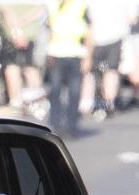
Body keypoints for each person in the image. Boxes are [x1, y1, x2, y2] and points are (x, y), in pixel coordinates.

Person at [46, 0, 93, 137]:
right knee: (55, 90)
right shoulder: (53, 5)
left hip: (76, 54)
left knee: (74, 91)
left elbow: (89, 32)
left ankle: (72, 124)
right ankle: (55, 123)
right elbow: (50, 29)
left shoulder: (81, 5)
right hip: (56, 53)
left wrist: (88, 57)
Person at [80, 0, 131, 118]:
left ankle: (87, 102)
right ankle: (109, 102)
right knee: (111, 70)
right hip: (115, 36)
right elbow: (132, 17)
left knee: (90, 71)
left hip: (94, 37)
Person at [0, 3, 48, 110]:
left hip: (15, 34)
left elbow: (6, 9)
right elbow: (40, 9)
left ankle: (18, 101)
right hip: (28, 33)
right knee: (29, 68)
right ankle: (34, 102)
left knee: (15, 67)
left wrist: (17, 31)